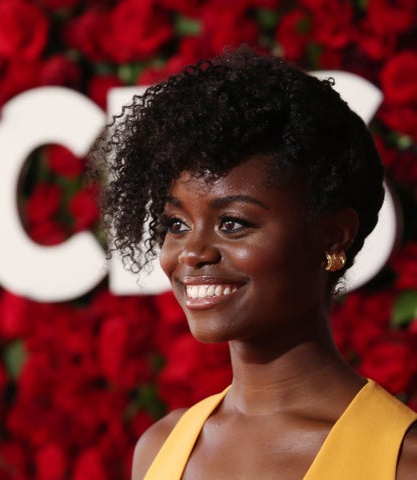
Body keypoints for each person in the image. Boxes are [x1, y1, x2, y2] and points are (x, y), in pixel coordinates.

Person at [95, 46, 417, 479]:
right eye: (176, 223)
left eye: (232, 223)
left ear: (333, 235)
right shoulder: (160, 448)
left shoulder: (402, 463)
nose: (191, 253)